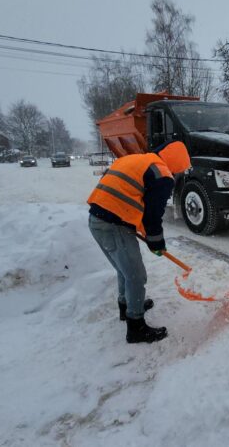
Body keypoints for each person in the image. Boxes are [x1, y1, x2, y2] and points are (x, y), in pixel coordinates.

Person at [87, 140, 191, 344]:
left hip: (97, 220)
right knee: (136, 275)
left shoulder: (138, 160)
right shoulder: (162, 176)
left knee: (124, 270)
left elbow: (131, 198)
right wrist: (156, 242)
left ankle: (127, 307)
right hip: (112, 225)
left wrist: (152, 239)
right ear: (177, 164)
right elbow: (152, 216)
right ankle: (136, 327)